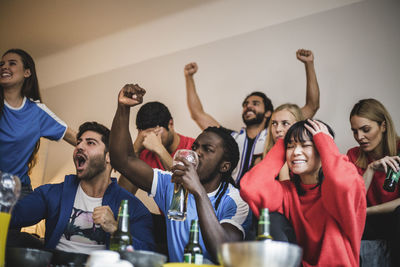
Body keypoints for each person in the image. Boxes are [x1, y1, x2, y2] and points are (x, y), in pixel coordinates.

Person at [109, 84, 251, 263]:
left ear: (224, 166)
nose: (196, 153)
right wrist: (123, 108)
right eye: (195, 147)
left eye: (207, 149)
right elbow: (122, 160)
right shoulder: (171, 183)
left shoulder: (235, 202)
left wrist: (198, 191)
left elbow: (223, 254)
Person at [9, 121, 155, 254]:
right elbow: (12, 217)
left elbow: (147, 254)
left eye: (90, 143)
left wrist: (115, 229)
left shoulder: (133, 208)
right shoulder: (53, 194)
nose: (79, 146)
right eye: (78, 142)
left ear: (109, 157)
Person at [240, 119, 366, 266]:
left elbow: (343, 182)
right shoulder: (287, 191)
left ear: (322, 148)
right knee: (272, 219)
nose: (296, 152)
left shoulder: (339, 191)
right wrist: (282, 143)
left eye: (306, 145)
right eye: (291, 147)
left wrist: (325, 141)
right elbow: (250, 187)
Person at [184, 49, 320, 184]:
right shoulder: (231, 137)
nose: (248, 106)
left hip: (261, 198)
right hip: (231, 198)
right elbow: (197, 114)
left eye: (255, 104)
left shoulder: (275, 134)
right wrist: (189, 78)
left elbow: (312, 106)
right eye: (245, 104)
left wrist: (309, 64)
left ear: (268, 113)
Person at [0, 49, 76, 197]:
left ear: (27, 73)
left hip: (18, 192)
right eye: (1, 64)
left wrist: (108, 155)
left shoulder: (37, 112)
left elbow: (73, 137)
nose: (4, 67)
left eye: (12, 63)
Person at [347, 98, 400, 265]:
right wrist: (370, 170)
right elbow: (353, 204)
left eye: (365, 129)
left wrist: (367, 212)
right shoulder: (353, 155)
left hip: (392, 216)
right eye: (355, 131)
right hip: (369, 222)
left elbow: (360, 211)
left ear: (383, 126)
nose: (359, 137)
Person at [118, 101, 195, 195]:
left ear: (170, 124)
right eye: (145, 135)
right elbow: (124, 195)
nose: (152, 139)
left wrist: (159, 149)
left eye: (155, 133)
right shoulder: (145, 153)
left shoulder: (193, 148)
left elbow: (187, 193)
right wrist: (135, 150)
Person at [256, 103, 304, 180]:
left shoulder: (307, 160)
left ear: (297, 126)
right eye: (274, 123)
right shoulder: (260, 160)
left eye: (285, 123)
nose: (278, 129)